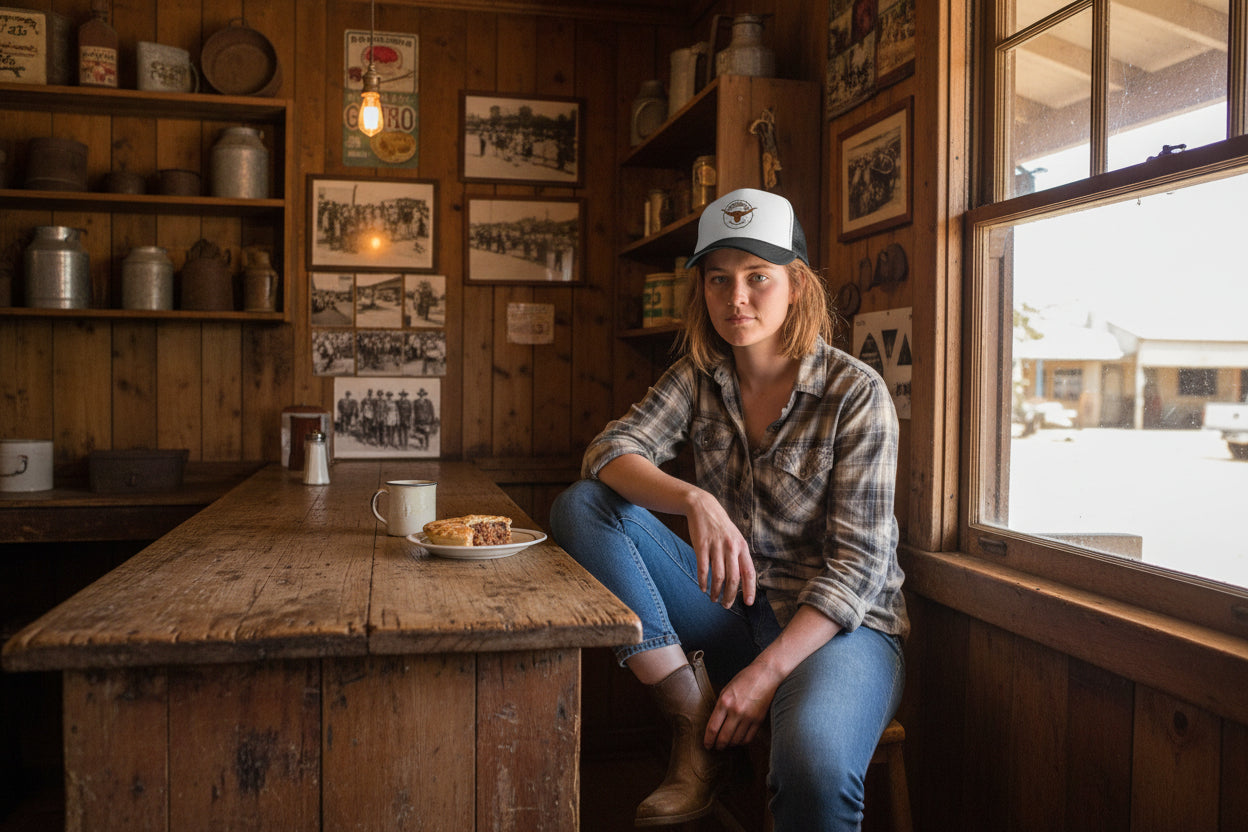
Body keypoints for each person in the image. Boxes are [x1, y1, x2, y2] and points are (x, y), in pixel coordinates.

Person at [550, 188, 907, 830]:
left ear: (795, 284)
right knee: (584, 506)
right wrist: (694, 499)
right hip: (734, 610)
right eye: (719, 280)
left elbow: (857, 570)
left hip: (838, 631)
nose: (736, 298)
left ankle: (747, 710)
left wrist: (764, 675)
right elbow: (608, 451)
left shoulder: (856, 392)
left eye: (757, 277)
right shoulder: (698, 376)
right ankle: (690, 719)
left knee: (814, 771)